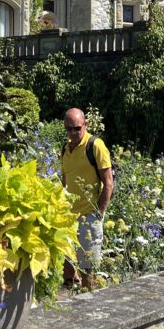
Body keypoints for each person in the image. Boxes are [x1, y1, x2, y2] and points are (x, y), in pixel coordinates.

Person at [60, 107, 114, 290]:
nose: (72, 133)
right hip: (68, 217)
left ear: (86, 125)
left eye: (77, 128)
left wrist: (98, 214)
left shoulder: (95, 146)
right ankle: (71, 297)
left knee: (87, 270)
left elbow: (108, 183)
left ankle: (88, 301)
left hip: (89, 215)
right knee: (66, 266)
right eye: (68, 128)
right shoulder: (65, 149)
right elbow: (65, 180)